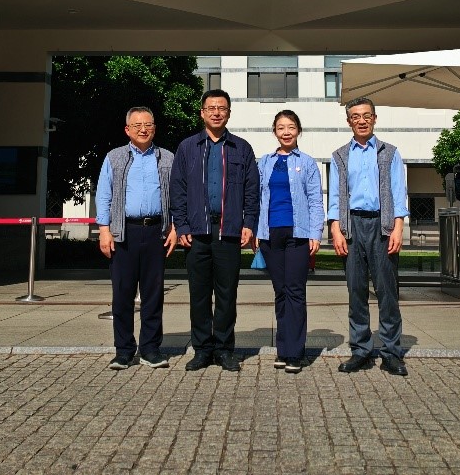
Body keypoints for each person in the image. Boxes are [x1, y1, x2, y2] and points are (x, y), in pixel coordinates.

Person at [170, 89, 259, 372]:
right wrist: (181, 224)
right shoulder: (187, 147)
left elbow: (252, 191)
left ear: (229, 113)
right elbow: (178, 189)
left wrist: (249, 223)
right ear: (202, 113)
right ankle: (202, 350)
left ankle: (224, 349)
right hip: (196, 232)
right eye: (211, 108)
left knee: (226, 295)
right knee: (198, 295)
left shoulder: (241, 148)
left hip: (228, 231)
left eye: (222, 108)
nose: (217, 113)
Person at [328, 97, 410, 376]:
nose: (361, 121)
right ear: (348, 121)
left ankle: (391, 352)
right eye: (355, 117)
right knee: (356, 291)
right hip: (352, 226)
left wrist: (398, 227)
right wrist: (335, 229)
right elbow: (335, 196)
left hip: (382, 225)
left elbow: (398, 193)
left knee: (387, 291)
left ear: (375, 118)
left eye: (366, 116)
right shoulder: (340, 156)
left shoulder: (390, 153)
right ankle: (360, 350)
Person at [95, 106, 177, 370]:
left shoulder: (167, 158)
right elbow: (104, 195)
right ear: (127, 129)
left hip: (156, 232)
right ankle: (123, 350)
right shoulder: (114, 157)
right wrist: (104, 230)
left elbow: (178, 196)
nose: (143, 129)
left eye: (148, 124)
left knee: (153, 293)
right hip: (124, 232)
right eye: (137, 125)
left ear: (155, 128)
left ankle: (150, 349)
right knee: (122, 294)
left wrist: (175, 227)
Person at [256, 110, 323, 374]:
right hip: (270, 234)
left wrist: (315, 233)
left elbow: (315, 200)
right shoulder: (264, 162)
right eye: (281, 127)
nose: (286, 132)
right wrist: (255, 231)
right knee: (280, 291)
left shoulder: (307, 163)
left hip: (298, 234)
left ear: (298, 131)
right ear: (274, 131)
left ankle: (295, 352)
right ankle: (282, 349)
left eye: (291, 127)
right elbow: (255, 197)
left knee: (295, 291)